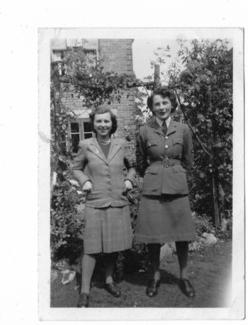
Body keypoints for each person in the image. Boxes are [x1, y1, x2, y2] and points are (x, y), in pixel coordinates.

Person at [71, 105, 136, 307]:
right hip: (96, 201)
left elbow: (132, 166)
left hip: (117, 199)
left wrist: (129, 181)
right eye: (99, 121)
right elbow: (75, 168)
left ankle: (109, 280)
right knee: (91, 247)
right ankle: (84, 291)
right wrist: (84, 181)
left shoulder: (121, 144)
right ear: (94, 123)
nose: (103, 125)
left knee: (112, 245)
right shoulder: (85, 145)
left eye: (106, 121)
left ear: (112, 123)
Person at [135, 88, 196, 298]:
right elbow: (141, 161)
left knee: (182, 235)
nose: (161, 108)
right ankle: (155, 276)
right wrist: (156, 175)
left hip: (177, 188)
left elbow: (188, 159)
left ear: (172, 104)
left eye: (165, 103)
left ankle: (184, 276)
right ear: (151, 107)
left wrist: (175, 175)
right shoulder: (144, 131)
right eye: (157, 104)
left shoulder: (183, 129)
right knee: (153, 236)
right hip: (153, 190)